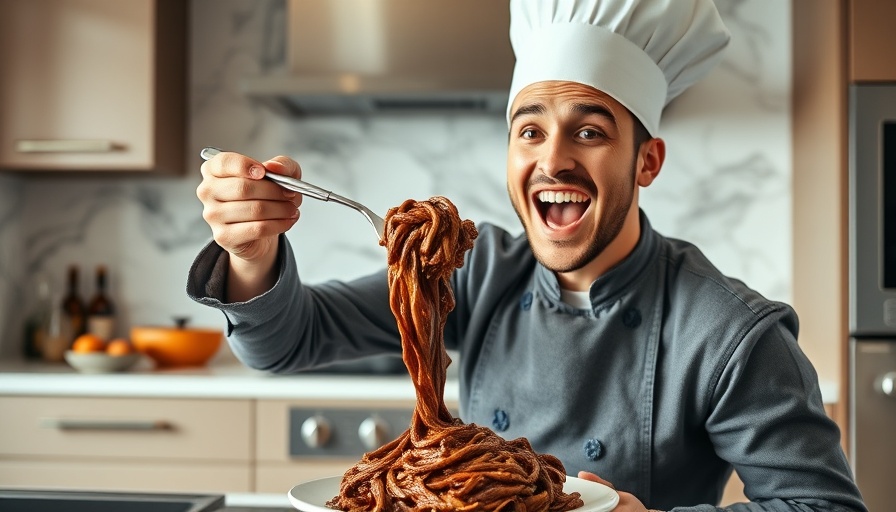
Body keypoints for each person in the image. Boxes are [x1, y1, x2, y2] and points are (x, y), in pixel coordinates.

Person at [188, 0, 866, 510]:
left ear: (647, 161)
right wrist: (251, 248)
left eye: (590, 130)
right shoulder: (472, 272)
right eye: (530, 129)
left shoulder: (727, 331)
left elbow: (823, 506)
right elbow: (285, 341)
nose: (553, 160)